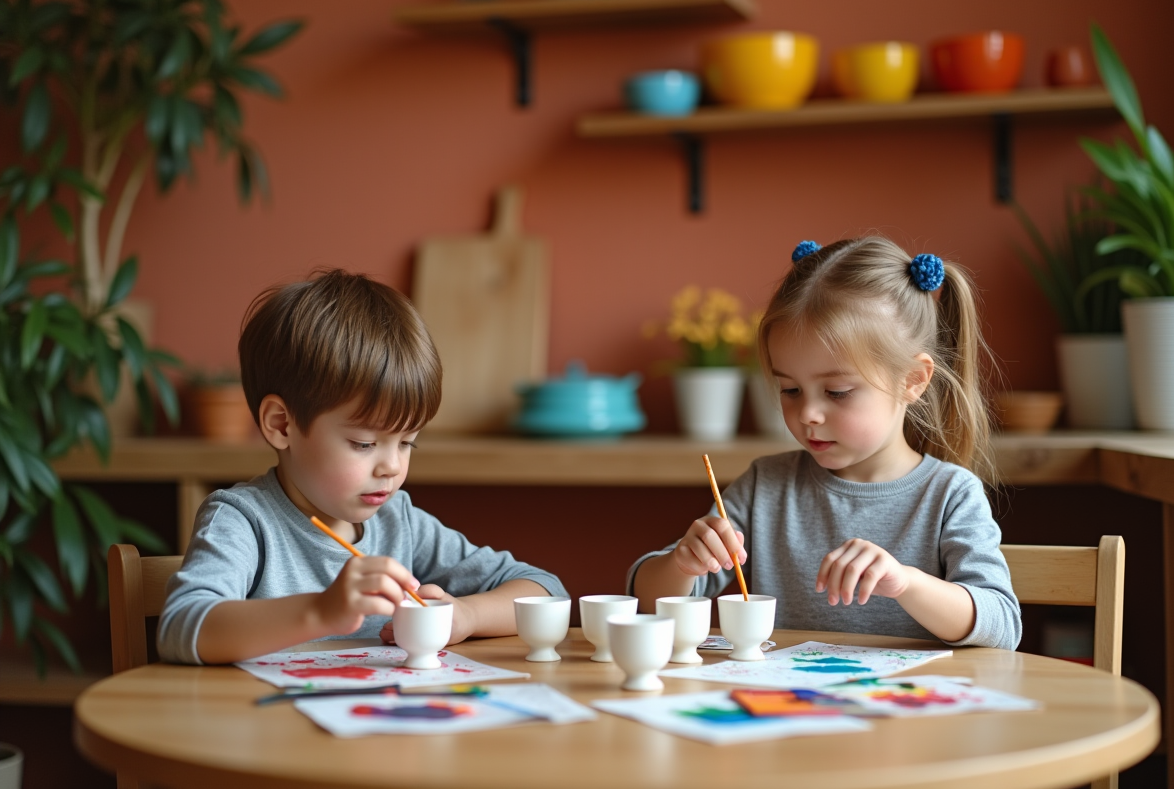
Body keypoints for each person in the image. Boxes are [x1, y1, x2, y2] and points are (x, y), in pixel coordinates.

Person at [630, 237, 1021, 650]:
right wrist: (682, 564)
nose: (807, 414)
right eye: (790, 389)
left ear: (913, 380)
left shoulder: (950, 495)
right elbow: (649, 601)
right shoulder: (766, 486)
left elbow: (1001, 625)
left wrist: (905, 582)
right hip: (787, 708)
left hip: (910, 709)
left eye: (836, 392)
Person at [158, 269, 565, 665]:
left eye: (407, 442)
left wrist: (466, 616)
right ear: (282, 424)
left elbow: (544, 591)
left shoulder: (399, 523)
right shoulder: (243, 521)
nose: (391, 466)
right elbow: (180, 628)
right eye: (364, 443)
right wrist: (320, 612)